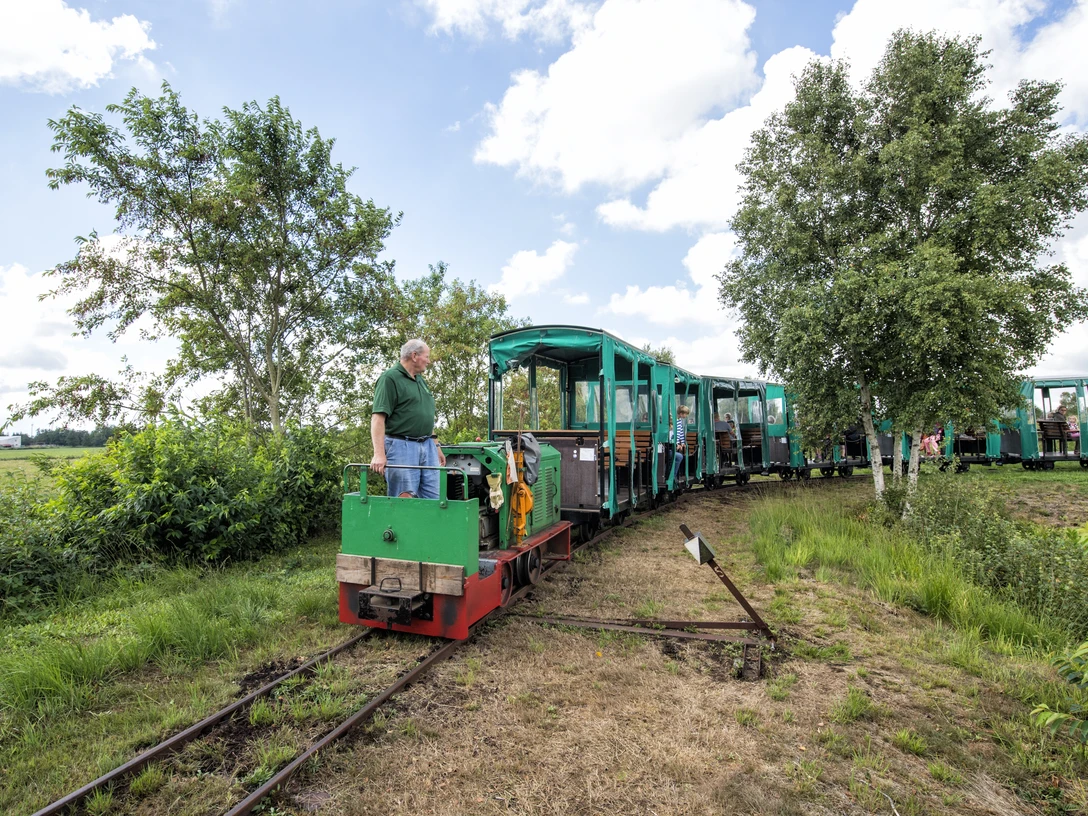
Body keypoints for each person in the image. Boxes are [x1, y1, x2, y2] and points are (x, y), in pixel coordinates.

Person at [371, 339, 446, 498]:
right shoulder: (390, 378)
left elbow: (421, 416)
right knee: (404, 498)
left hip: (427, 446)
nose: (429, 361)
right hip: (401, 446)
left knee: (436, 498)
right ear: (414, 356)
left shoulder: (420, 380)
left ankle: (429, 524)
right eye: (427, 356)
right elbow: (378, 418)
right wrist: (379, 454)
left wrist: (436, 446)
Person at [672, 404, 691, 480]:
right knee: (679, 457)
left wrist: (683, 442)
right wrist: (676, 444)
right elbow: (674, 434)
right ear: (681, 414)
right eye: (685, 414)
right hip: (674, 445)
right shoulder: (675, 421)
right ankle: (673, 476)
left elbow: (680, 433)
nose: (686, 416)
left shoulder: (679, 420)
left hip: (677, 444)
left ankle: (676, 475)